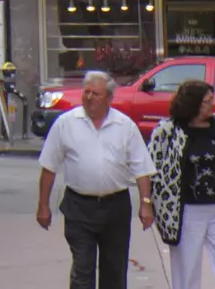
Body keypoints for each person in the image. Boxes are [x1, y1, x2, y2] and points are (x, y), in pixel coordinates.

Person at [36, 70, 157, 289]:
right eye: (87, 92)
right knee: (83, 268)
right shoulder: (66, 123)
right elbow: (49, 168)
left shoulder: (125, 126)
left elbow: (142, 168)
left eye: (96, 94)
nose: (89, 97)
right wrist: (43, 206)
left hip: (115, 207)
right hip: (79, 207)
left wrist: (146, 204)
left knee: (114, 270)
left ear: (109, 98)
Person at [145, 79, 215, 289]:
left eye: (212, 99)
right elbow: (151, 168)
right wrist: (149, 202)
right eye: (207, 101)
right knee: (187, 272)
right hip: (187, 211)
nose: (213, 104)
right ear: (192, 103)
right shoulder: (168, 129)